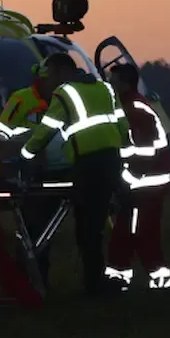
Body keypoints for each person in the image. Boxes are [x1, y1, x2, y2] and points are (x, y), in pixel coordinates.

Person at [20, 52, 129, 296]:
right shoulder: (105, 89)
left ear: (59, 72)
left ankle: (87, 287)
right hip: (111, 162)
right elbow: (122, 125)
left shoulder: (65, 92)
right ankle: (95, 284)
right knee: (93, 228)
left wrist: (25, 155)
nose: (46, 83)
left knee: (83, 229)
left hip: (88, 164)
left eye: (48, 76)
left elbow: (47, 129)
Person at [104, 63, 170, 291]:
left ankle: (156, 277)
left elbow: (144, 151)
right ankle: (119, 276)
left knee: (140, 233)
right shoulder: (136, 105)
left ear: (124, 84)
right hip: (144, 183)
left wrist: (127, 177)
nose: (110, 86)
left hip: (144, 185)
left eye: (113, 82)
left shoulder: (134, 109)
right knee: (128, 231)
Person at [0, 61, 61, 290]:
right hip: (29, 172)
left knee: (47, 230)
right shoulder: (21, 100)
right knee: (30, 229)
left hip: (56, 171)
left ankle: (39, 278)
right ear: (43, 79)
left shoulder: (62, 101)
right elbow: (1, 134)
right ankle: (24, 280)